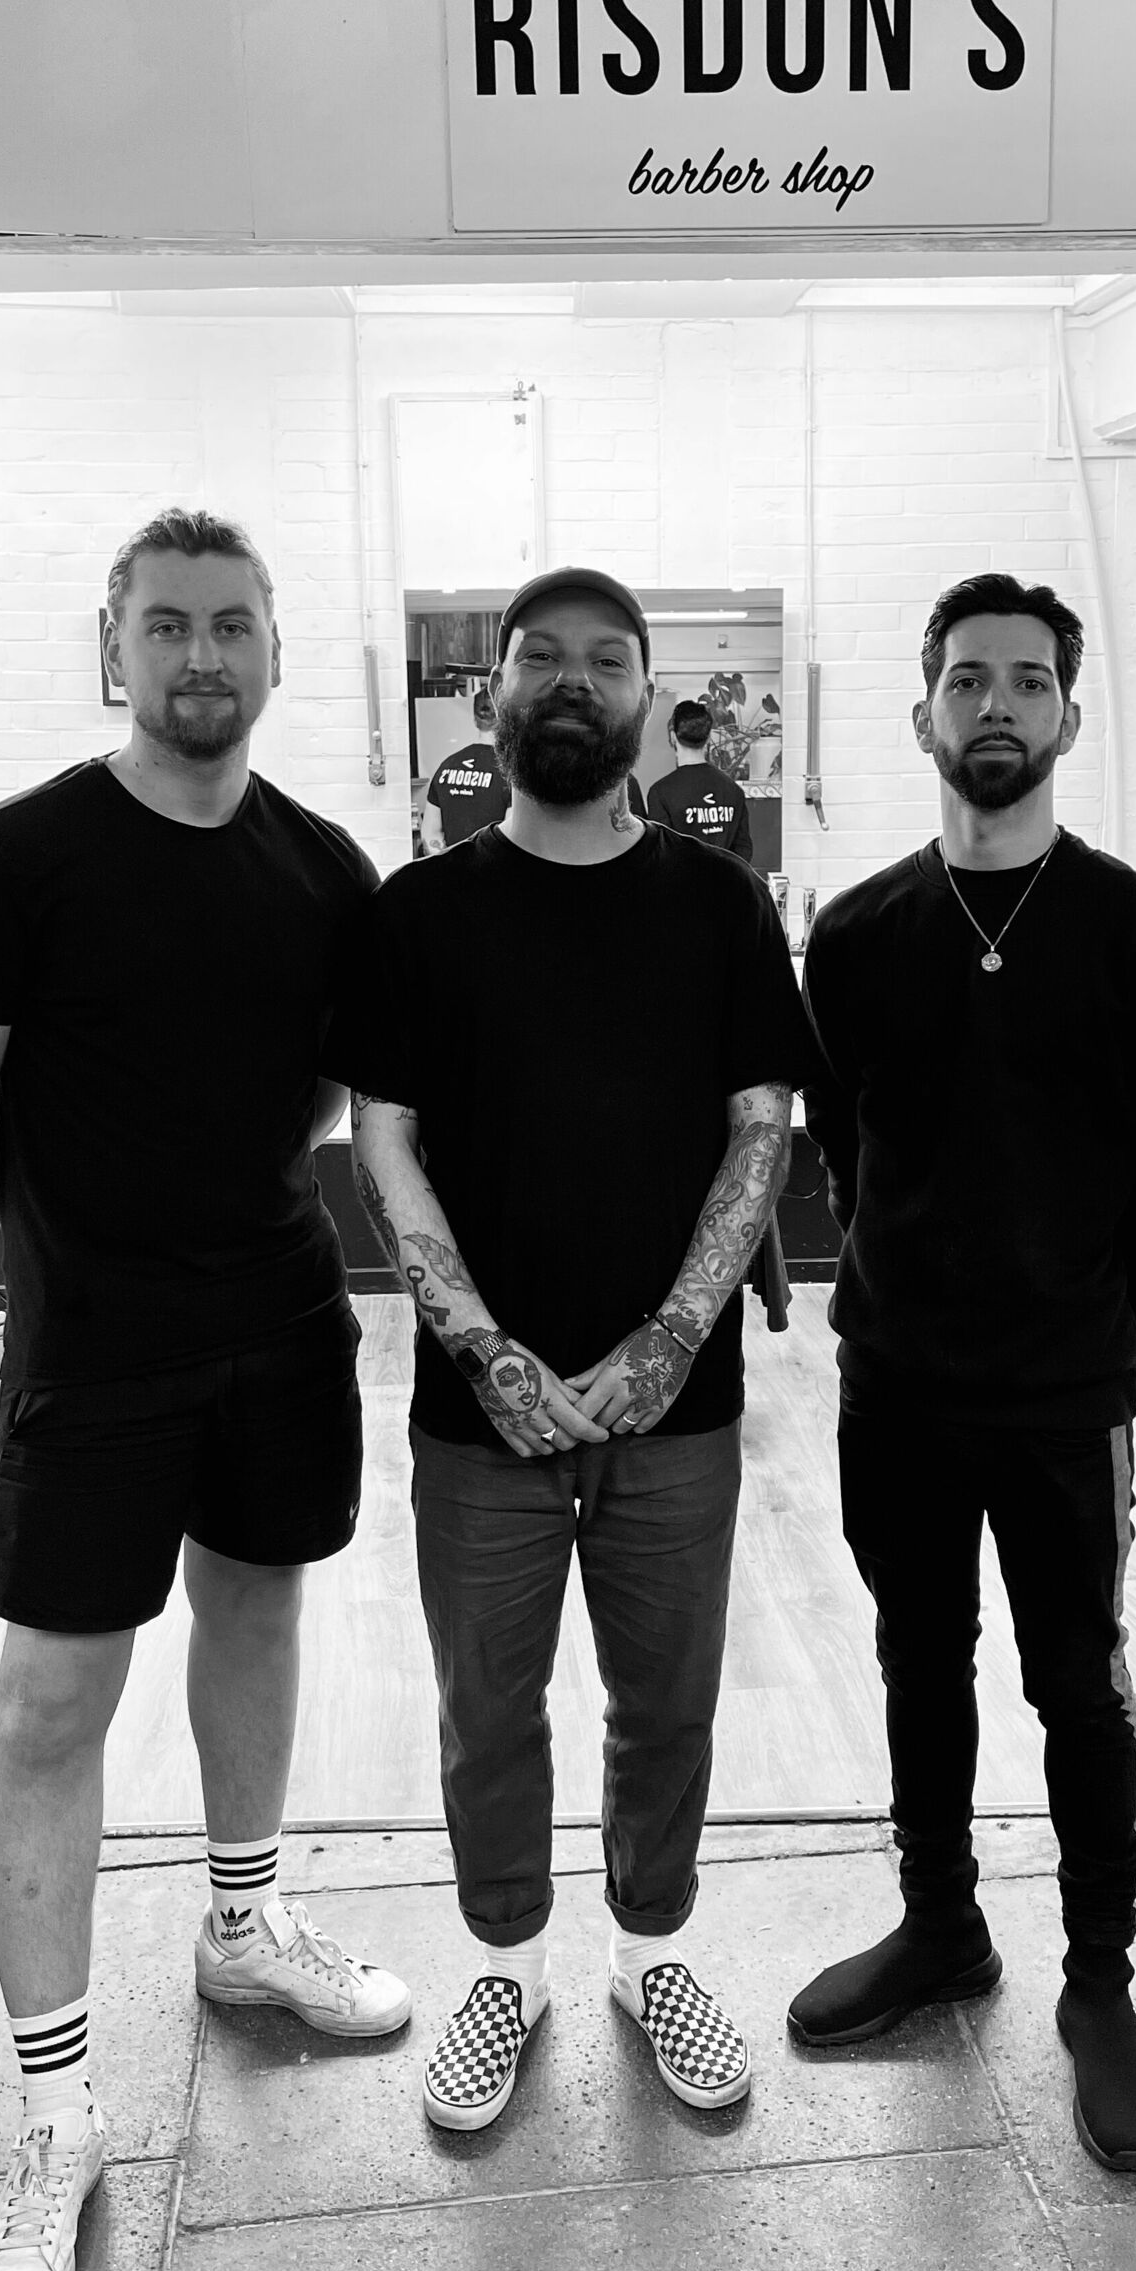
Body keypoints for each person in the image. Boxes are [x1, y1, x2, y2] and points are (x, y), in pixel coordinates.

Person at [0, 508, 409, 2271]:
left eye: (232, 625)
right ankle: (54, 2114)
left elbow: (325, 1101)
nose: (202, 656)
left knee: (255, 1611)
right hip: (94, 1348)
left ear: (275, 652)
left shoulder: (325, 871)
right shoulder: (15, 860)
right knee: (50, 1703)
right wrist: (87, 1223)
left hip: (276, 1324)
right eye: (168, 624)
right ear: (111, 646)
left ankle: (243, 1927)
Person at [341, 564, 812, 2136]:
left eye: (607, 661)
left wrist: (672, 1340)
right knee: (489, 1712)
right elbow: (383, 1141)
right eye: (540, 656)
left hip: (678, 1412)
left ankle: (649, 1955)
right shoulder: (419, 914)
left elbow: (761, 1132)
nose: (572, 680)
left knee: (664, 1705)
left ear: (646, 701)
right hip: (480, 1418)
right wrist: (486, 1352)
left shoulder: (719, 905)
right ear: (493, 696)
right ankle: (508, 1970)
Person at [788, 569, 1136, 2177]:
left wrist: (1095, 1305)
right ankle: (941, 1927)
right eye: (967, 680)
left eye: (1027, 681)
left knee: (1076, 1681)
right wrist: (917, 1274)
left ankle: (1097, 1983)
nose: (997, 705)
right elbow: (844, 1146)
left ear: (1069, 713)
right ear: (922, 716)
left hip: (1062, 1396)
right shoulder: (856, 937)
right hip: (898, 1383)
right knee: (920, 1660)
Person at [645, 700, 756, 861]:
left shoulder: (660, 793)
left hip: (683, 877)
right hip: (727, 876)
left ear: (673, 736)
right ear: (709, 737)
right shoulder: (733, 790)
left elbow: (660, 853)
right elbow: (743, 850)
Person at [421, 686, 510, 852]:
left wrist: (452, 865)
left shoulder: (446, 767)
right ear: (506, 720)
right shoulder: (510, 772)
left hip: (453, 866)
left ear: (475, 720)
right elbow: (512, 842)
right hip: (493, 867)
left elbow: (430, 836)